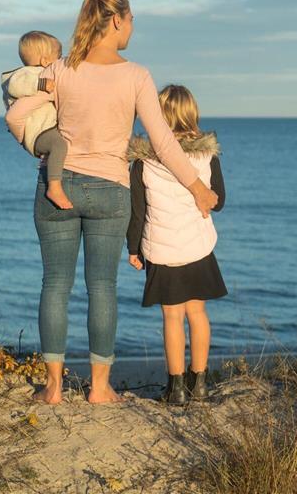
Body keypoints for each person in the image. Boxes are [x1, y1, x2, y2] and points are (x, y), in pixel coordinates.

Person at [5, 0, 218, 405]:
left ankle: (53, 388)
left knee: (55, 285)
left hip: (58, 184)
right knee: (101, 287)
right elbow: (163, 142)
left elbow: (15, 115)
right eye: (132, 18)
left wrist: (37, 148)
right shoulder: (136, 75)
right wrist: (196, 187)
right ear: (117, 21)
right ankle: (100, 389)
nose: (133, 26)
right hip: (109, 190)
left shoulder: (61, 68)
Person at [126, 85, 227, 405]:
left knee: (172, 318)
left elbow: (137, 211)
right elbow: (219, 201)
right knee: (197, 313)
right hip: (197, 246)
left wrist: (132, 248)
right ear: (192, 114)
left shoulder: (144, 161)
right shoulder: (206, 155)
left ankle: (176, 388)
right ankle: (200, 383)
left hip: (162, 247)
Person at [1, 31, 73, 209]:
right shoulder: (25, 74)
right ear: (45, 60)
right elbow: (16, 86)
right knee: (59, 145)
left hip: (46, 127)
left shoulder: (40, 72)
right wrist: (40, 84)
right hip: (38, 132)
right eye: (58, 55)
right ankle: (54, 187)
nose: (60, 59)